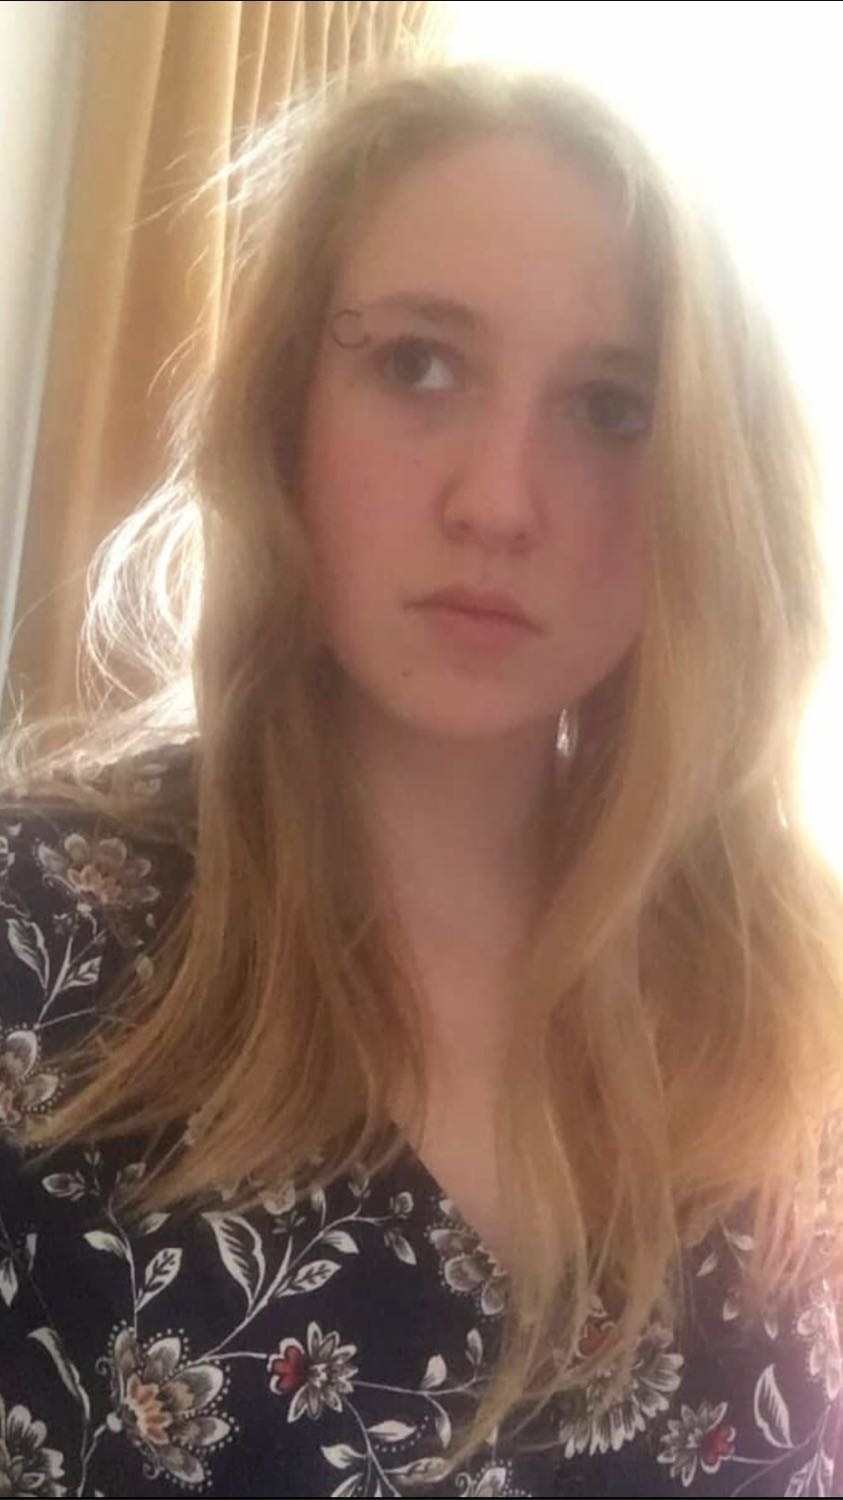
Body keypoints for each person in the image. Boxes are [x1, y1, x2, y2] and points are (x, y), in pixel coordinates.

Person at [1, 57, 842, 1500]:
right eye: (416, 366)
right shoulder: (43, 937)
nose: (499, 502)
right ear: (284, 408)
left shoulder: (780, 994)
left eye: (612, 408)